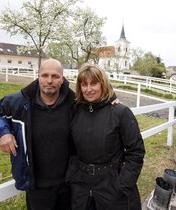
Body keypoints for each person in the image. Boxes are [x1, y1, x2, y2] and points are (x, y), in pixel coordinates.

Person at [0, 58, 75, 210]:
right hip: (37, 186)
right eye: (45, 75)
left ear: (62, 79)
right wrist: (2, 132)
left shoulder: (74, 102)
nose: (49, 80)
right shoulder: (21, 101)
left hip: (69, 184)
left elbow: (97, 98)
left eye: (55, 76)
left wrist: (112, 98)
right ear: (38, 76)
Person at [67, 64, 145, 210]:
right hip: (81, 186)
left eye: (94, 83)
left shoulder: (120, 112)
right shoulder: (74, 111)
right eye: (84, 84)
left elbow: (136, 151)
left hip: (112, 185)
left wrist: (123, 184)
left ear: (103, 84)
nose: (88, 89)